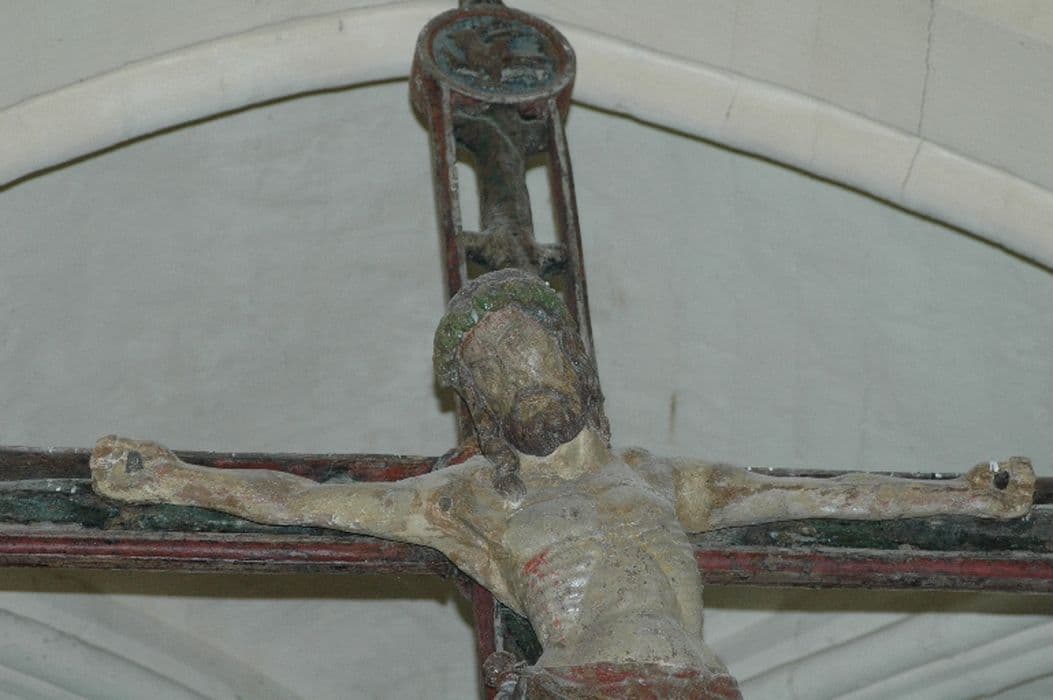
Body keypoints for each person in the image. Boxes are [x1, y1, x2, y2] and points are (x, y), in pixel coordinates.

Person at [91, 269, 1035, 699]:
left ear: (574, 364)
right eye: (492, 371)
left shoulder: (661, 480)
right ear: (477, 409)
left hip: (700, 688)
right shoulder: (468, 499)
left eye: (530, 350)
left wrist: (961, 496)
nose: (519, 376)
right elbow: (304, 501)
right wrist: (174, 478)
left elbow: (817, 496)